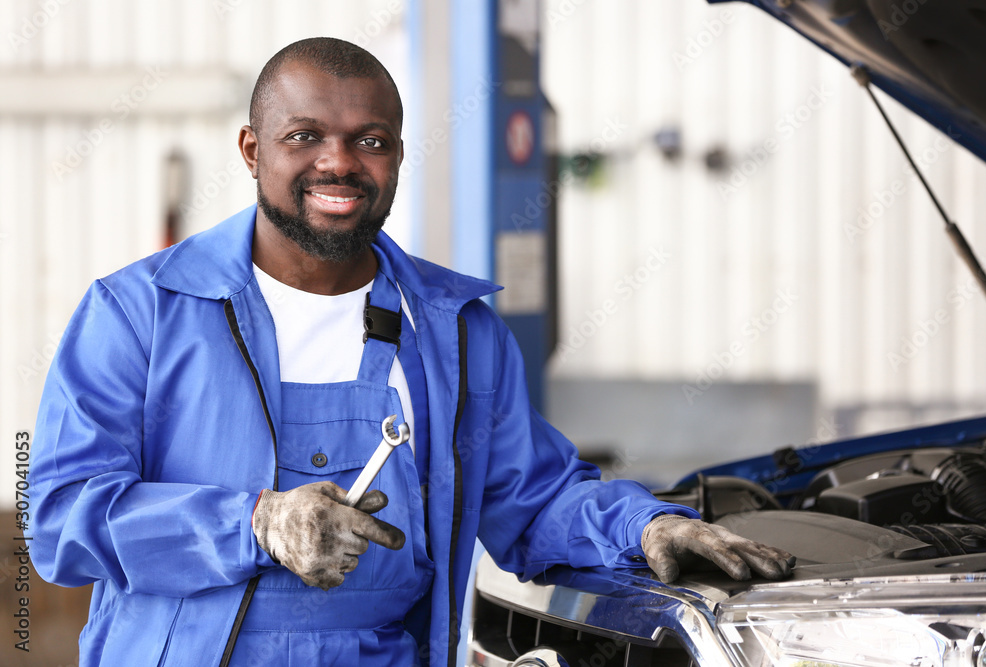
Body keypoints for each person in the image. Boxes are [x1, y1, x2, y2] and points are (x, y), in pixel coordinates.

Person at [28, 37, 793, 667]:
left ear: (395, 156)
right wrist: (253, 522)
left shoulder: (454, 328)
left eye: (371, 140)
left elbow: (532, 501)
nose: (339, 163)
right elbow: (59, 520)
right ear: (252, 149)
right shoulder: (138, 313)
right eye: (305, 138)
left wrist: (644, 527)